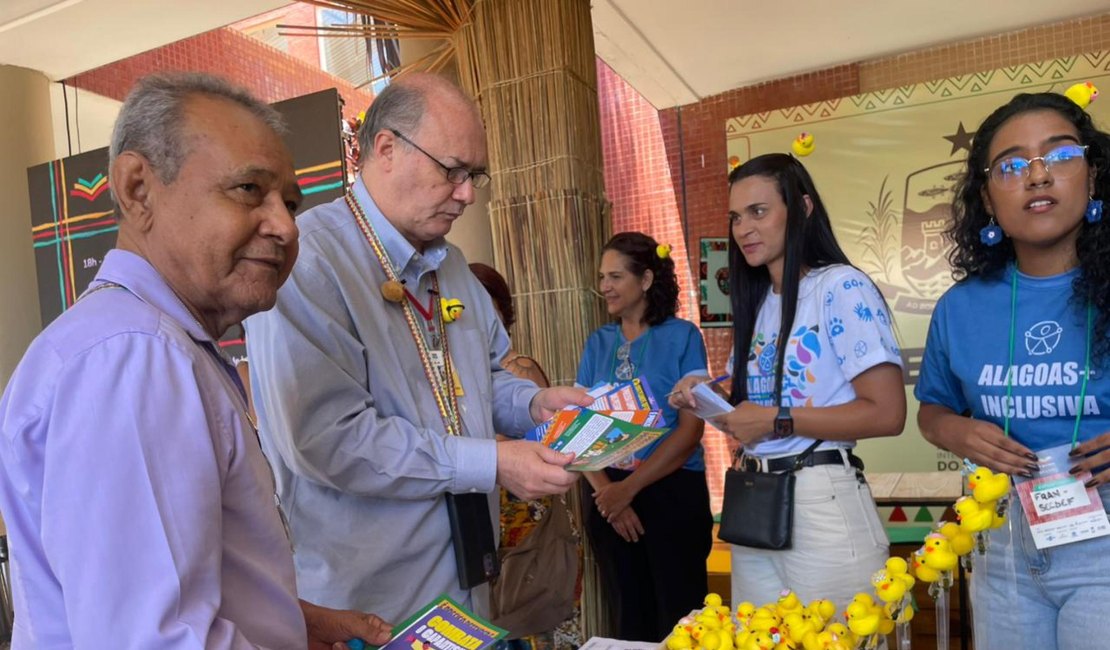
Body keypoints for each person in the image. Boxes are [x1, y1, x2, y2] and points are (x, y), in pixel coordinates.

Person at [0, 73, 391, 648]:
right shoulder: (133, 359)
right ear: (138, 189)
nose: (285, 225)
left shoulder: (142, 346)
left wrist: (286, 620)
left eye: (289, 202)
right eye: (247, 190)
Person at [244, 73, 591, 623]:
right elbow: (326, 440)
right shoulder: (311, 261)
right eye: (452, 170)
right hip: (371, 606)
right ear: (385, 149)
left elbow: (485, 376)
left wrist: (531, 405)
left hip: (468, 578)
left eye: (474, 175)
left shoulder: (450, 264)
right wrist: (490, 463)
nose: (468, 194)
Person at [915, 91, 1110, 650]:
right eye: (1013, 166)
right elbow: (932, 409)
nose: (1038, 176)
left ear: (1092, 177)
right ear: (988, 197)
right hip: (1000, 537)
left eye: (1061, 156)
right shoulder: (961, 306)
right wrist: (958, 430)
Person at [672, 153, 905, 609]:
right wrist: (706, 399)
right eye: (736, 217)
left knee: (836, 638)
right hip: (756, 503)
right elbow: (751, 420)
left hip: (821, 502)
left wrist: (778, 420)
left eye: (758, 212)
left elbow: (887, 413)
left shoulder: (840, 286)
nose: (743, 229)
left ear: (801, 208)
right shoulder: (760, 303)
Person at [575, 232, 713, 641]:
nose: (604, 286)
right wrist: (609, 497)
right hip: (607, 499)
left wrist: (629, 489)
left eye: (615, 276)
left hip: (671, 494)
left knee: (681, 620)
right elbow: (579, 427)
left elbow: (690, 430)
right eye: (602, 277)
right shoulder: (598, 343)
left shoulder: (684, 336)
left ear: (647, 279)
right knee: (628, 620)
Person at [470, 261, 582, 649]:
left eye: (481, 304)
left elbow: (542, 441)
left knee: (528, 622)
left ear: (500, 310)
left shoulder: (519, 370)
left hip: (524, 517)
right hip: (490, 514)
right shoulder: (466, 372)